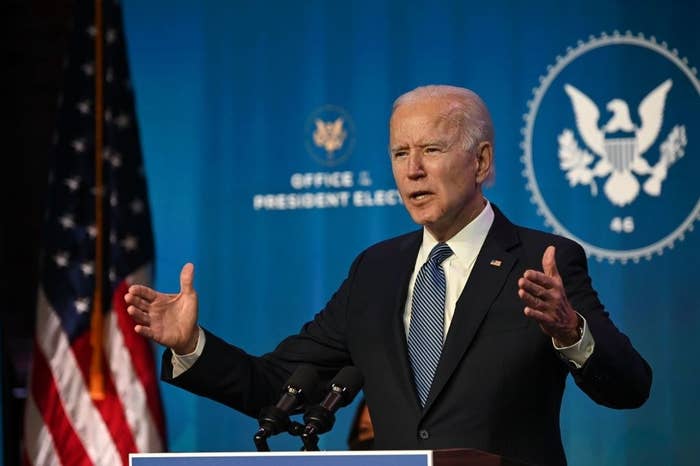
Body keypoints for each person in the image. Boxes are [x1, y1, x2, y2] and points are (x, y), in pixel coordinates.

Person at [125, 85, 651, 466]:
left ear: (482, 161)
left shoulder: (544, 260)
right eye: (400, 153)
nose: (412, 169)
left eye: (432, 149)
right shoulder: (376, 270)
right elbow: (279, 386)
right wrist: (191, 343)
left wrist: (571, 333)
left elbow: (631, 386)